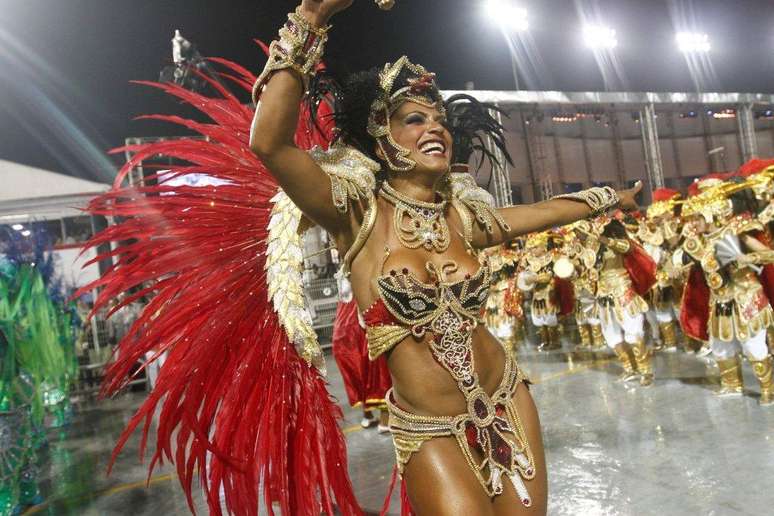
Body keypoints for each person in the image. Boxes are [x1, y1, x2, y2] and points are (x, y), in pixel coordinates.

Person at [250, 1, 641, 512]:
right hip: (429, 428)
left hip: (507, 398)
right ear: (380, 135)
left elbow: (541, 211)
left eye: (440, 120)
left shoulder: (463, 216)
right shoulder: (356, 213)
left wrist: (611, 198)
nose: (435, 128)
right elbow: (270, 144)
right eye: (414, 119)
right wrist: (312, 16)